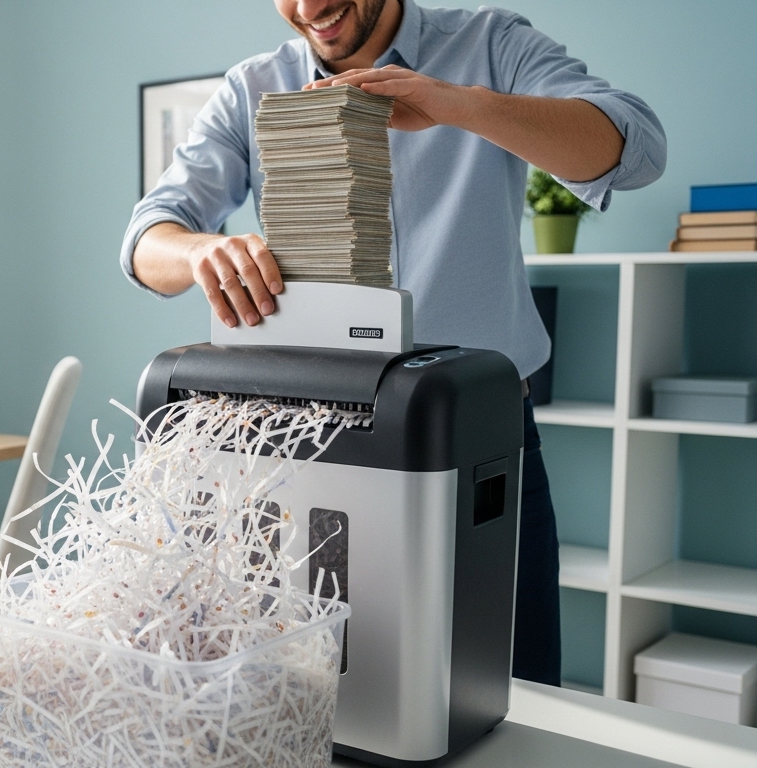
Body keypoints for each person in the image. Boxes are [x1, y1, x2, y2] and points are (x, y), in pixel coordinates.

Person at [121, 0, 665, 685]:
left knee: (507, 684)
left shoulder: (489, 44)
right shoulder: (253, 88)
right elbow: (148, 239)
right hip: (311, 448)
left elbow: (634, 148)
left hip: (479, 445)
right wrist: (202, 250)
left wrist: (455, 104)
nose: (309, 8)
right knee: (327, 687)